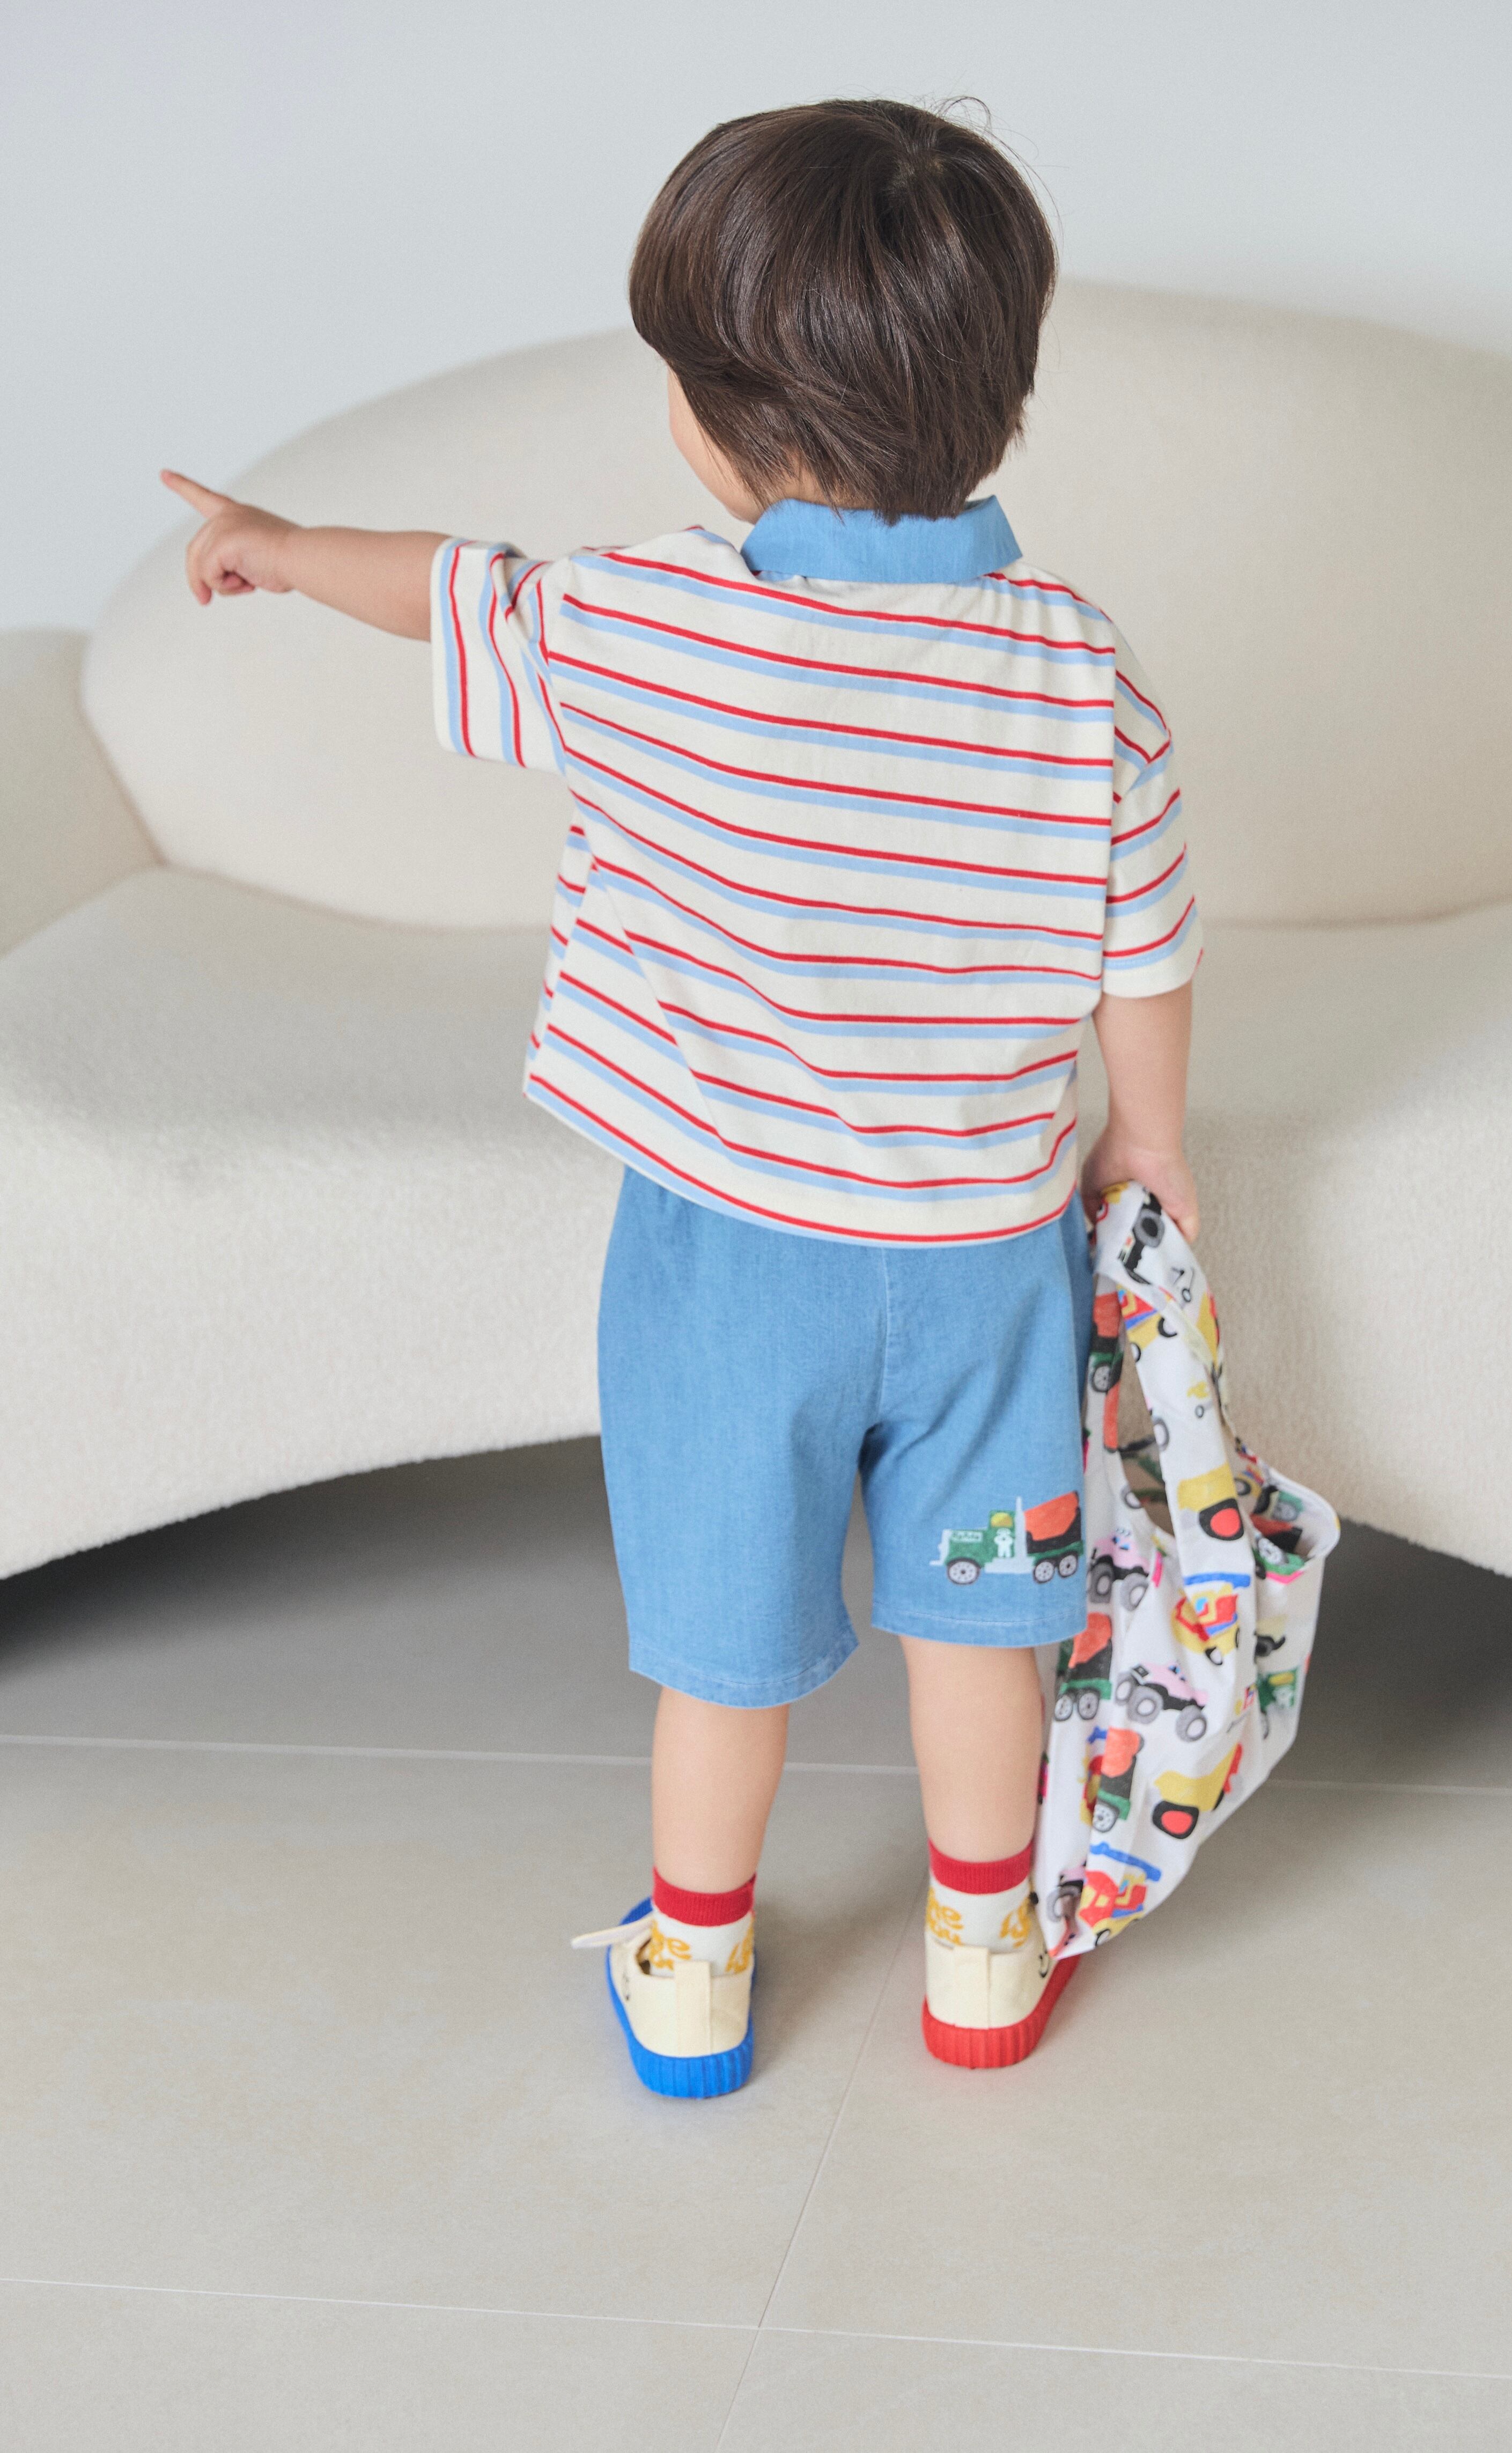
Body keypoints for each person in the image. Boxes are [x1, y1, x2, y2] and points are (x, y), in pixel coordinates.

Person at [160, 97, 1200, 2098]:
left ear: (729, 426)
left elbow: (455, 588)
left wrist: (278, 551)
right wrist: (1144, 1147)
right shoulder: (1086, 672)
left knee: (723, 1651)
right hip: (991, 1257)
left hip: (730, 1261)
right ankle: (986, 1952)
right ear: (996, 395)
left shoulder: (649, 623)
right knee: (983, 1628)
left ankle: (696, 1966)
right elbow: (1144, 950)